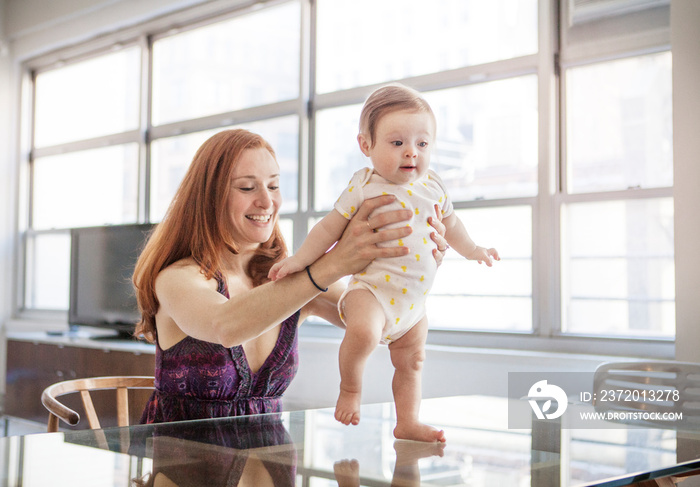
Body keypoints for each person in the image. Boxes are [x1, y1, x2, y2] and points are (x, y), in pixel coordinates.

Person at [132, 128, 449, 423]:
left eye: (273, 186)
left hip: (274, 463)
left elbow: (383, 327)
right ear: (208, 196)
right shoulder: (176, 278)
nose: (267, 201)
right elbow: (225, 325)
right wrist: (334, 262)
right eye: (247, 187)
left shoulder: (285, 280)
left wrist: (415, 266)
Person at [268, 84, 500, 443]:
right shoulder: (364, 186)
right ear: (366, 146)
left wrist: (473, 250)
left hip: (414, 305)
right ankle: (349, 390)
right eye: (397, 143)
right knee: (362, 333)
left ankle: (407, 421)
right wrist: (300, 258)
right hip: (371, 292)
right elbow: (329, 227)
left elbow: (451, 226)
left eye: (422, 144)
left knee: (412, 363)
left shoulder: (434, 185)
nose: (412, 153)